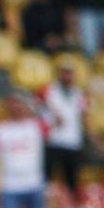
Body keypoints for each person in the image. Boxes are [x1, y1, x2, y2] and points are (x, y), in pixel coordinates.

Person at [0, 94, 48, 208]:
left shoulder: (36, 126)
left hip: (34, 183)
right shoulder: (0, 130)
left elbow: (58, 121)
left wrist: (38, 104)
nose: (16, 108)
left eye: (19, 104)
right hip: (10, 186)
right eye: (12, 104)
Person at [42, 61, 88, 196]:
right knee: (47, 176)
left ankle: (70, 203)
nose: (67, 76)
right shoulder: (50, 90)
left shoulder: (79, 93)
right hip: (54, 139)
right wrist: (50, 120)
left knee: (71, 178)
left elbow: (83, 115)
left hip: (72, 141)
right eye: (64, 73)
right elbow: (38, 109)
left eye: (69, 73)